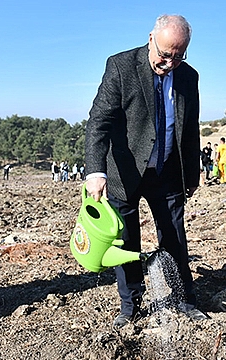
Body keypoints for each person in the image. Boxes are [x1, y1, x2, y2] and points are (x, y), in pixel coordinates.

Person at [84, 14, 206, 328]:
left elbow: (190, 131)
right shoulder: (121, 66)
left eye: (179, 57)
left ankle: (184, 300)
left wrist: (191, 175)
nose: (170, 63)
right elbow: (99, 122)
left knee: (175, 237)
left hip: (167, 171)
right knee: (126, 242)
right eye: (165, 55)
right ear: (151, 38)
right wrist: (95, 171)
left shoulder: (188, 77)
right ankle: (131, 306)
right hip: (124, 172)